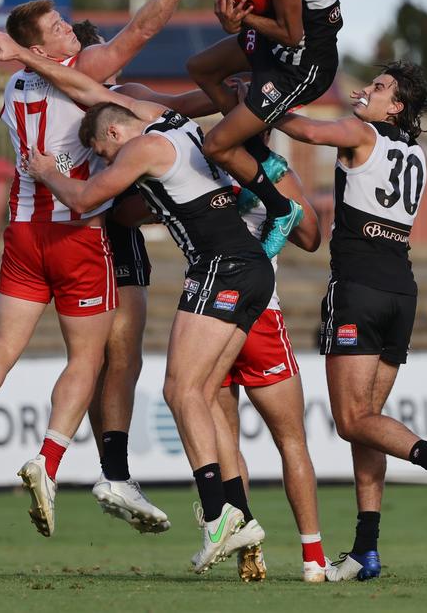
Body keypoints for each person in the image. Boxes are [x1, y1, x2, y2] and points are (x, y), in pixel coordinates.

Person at [0, 0, 227, 537]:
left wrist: (239, 98)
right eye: (59, 30)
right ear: (45, 50)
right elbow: (142, 31)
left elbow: (163, 104)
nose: (71, 32)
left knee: (5, 345)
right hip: (81, 227)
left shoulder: (13, 90)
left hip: (23, 230)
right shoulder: (79, 78)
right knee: (98, 356)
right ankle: (69, 466)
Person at [25, 98, 276, 574]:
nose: (111, 160)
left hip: (220, 267)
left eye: (105, 150)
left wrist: (45, 169)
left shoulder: (142, 146)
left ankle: (221, 517)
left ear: (116, 135)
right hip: (252, 267)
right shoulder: (179, 128)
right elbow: (131, 209)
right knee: (201, 394)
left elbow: (82, 200)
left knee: (179, 391)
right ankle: (233, 513)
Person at [276, 60, 427, 581]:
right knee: (368, 425)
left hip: (359, 290)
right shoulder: (416, 152)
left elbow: (302, 128)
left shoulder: (361, 132)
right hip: (400, 292)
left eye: (381, 87)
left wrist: (260, 100)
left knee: (351, 421)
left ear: (398, 106)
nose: (367, 89)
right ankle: (365, 548)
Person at [186, 0, 348, 258]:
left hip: (304, 63)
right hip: (279, 44)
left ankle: (281, 209)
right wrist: (241, 19)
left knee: (216, 147)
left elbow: (294, 34)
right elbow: (272, 13)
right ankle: (262, 161)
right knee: (200, 69)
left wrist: (240, 22)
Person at [214, 159, 330, 583]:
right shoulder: (276, 171)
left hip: (210, 315)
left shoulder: (199, 162)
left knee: (227, 441)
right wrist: (277, 198)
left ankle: (251, 543)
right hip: (258, 315)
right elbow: (312, 236)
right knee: (291, 441)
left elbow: (311, 236)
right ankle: (312, 559)